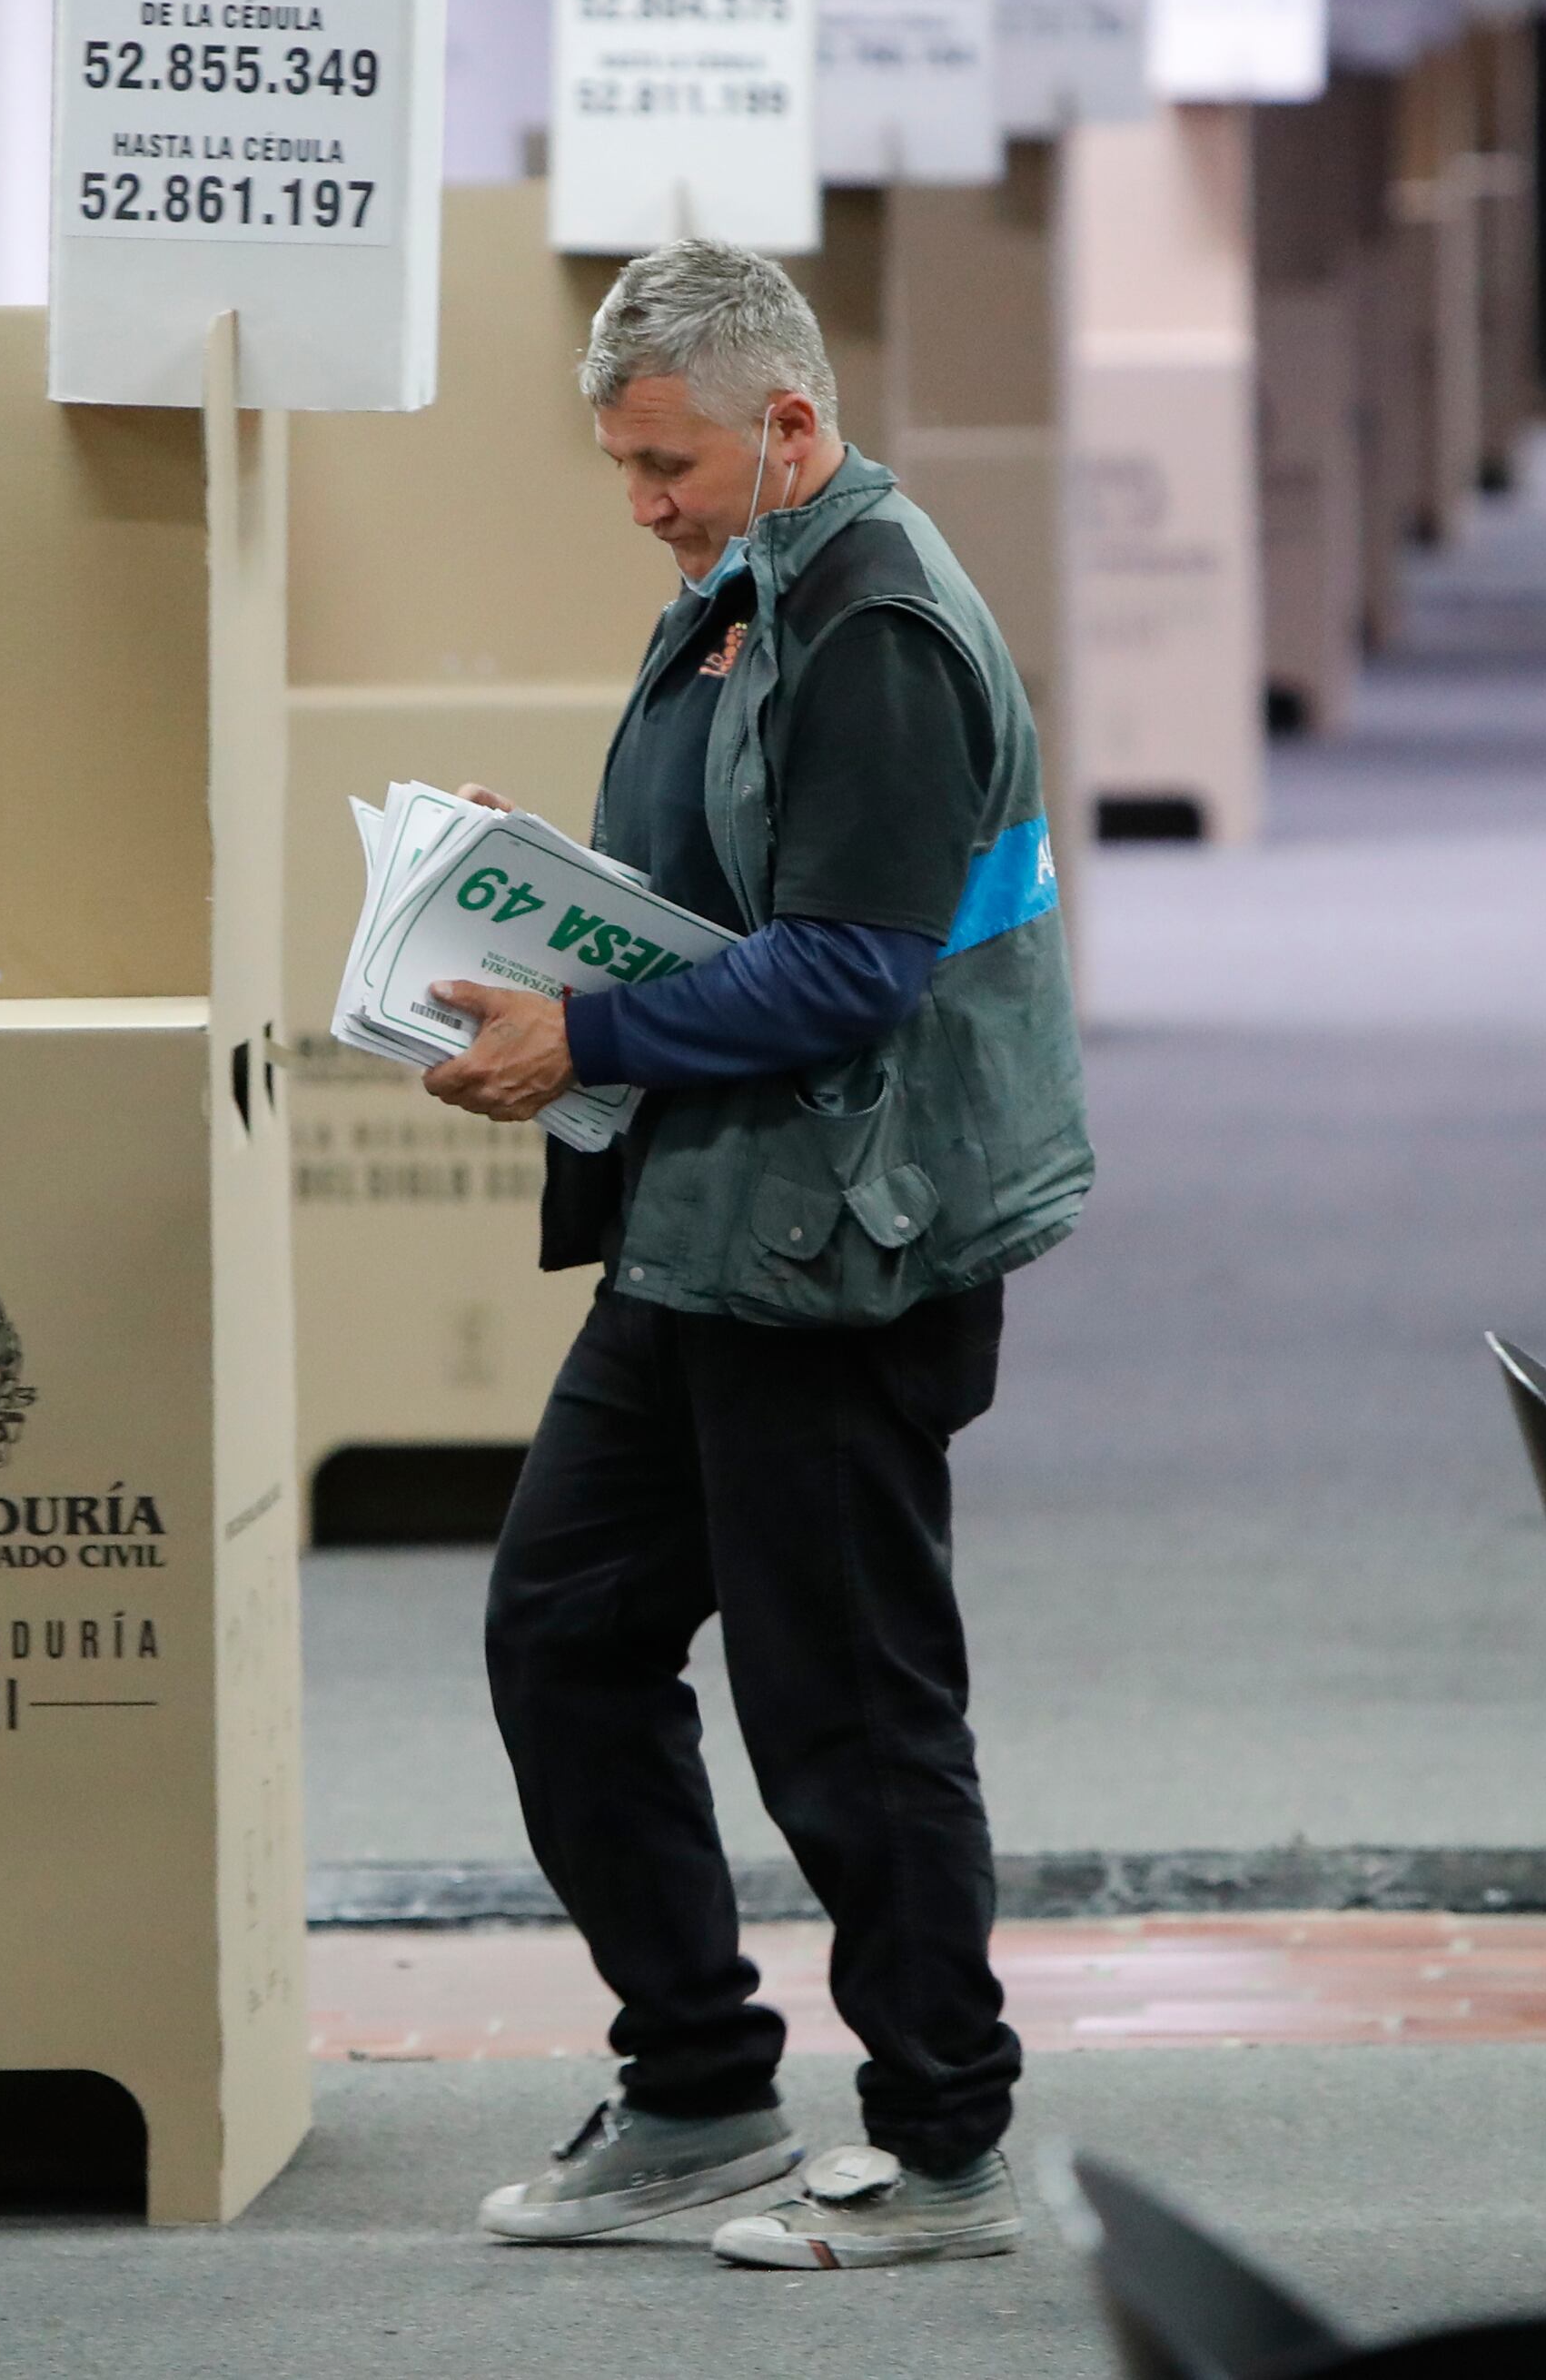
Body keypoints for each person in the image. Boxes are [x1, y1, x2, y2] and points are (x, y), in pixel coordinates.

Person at [416, 239, 1093, 2271]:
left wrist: (587, 1033)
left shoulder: (875, 619)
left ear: (789, 423)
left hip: (839, 1258)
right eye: (622, 467)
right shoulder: (749, 588)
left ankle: (945, 2146)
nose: (644, 504)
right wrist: (531, 898)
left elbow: (855, 968)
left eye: (668, 464)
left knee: (848, 1710)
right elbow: (735, 881)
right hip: (712, 1232)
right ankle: (701, 2090)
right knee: (565, 1632)